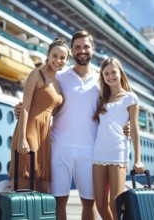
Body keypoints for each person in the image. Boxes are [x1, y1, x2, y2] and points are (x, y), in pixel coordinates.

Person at [14, 31, 129, 220]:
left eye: (86, 46)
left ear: (93, 49)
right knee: (58, 201)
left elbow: (119, 106)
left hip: (91, 150)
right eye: (77, 47)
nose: (82, 51)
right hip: (59, 147)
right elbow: (38, 102)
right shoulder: (60, 77)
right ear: (72, 51)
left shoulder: (103, 80)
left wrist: (128, 126)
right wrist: (18, 110)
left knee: (89, 203)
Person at [8, 38, 69, 192]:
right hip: (29, 132)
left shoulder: (57, 82)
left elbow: (51, 110)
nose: (58, 60)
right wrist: (22, 139)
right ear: (48, 55)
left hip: (44, 137)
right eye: (55, 56)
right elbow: (26, 107)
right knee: (24, 184)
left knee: (43, 188)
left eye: (63, 58)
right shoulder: (37, 74)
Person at [92, 57, 144, 220]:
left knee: (116, 202)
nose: (110, 76)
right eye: (106, 74)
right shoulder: (102, 98)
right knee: (100, 203)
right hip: (99, 153)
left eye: (113, 72)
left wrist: (138, 160)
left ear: (120, 73)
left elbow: (134, 129)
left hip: (118, 151)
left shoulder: (130, 97)